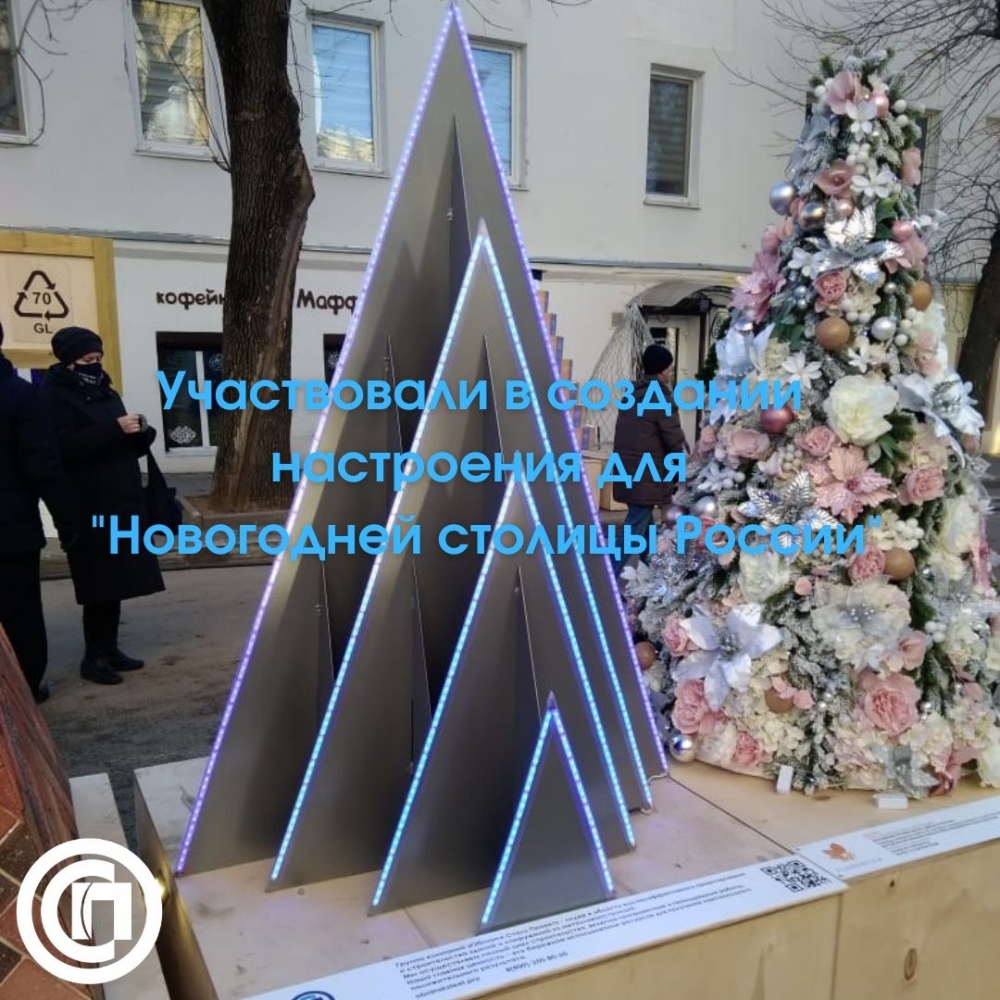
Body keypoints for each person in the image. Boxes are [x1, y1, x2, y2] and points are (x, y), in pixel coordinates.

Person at [41, 326, 165, 685]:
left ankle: (110, 648)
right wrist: (114, 429)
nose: (94, 365)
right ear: (69, 361)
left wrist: (140, 432)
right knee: (97, 581)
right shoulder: (54, 397)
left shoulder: (106, 391)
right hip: (88, 503)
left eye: (98, 358)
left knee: (118, 579)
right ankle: (93, 656)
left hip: (121, 499)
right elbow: (65, 449)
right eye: (87, 359)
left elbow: (122, 442)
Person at [0, 323, 80, 702]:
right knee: (20, 614)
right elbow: (43, 467)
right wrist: (68, 523)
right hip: (11, 531)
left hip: (12, 528)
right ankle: (25, 688)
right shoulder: (20, 396)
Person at [610, 343, 688, 577]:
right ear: (661, 370)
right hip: (647, 476)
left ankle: (653, 575)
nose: (671, 373)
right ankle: (607, 579)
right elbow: (673, 438)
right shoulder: (660, 397)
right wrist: (684, 468)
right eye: (669, 368)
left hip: (629, 471)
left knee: (645, 530)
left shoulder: (633, 393)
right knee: (634, 530)